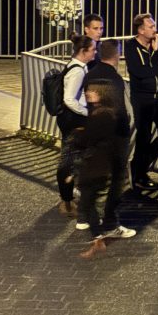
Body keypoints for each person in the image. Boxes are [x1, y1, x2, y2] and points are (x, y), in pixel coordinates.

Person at [73, 81, 136, 259]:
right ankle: (98, 239)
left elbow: (86, 138)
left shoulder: (101, 116)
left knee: (87, 202)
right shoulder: (107, 114)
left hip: (95, 166)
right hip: (98, 165)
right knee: (87, 202)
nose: (87, 93)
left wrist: (79, 133)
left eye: (92, 91)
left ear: (101, 94)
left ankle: (98, 239)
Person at [84, 39, 132, 230]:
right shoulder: (115, 79)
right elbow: (118, 109)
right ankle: (111, 221)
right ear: (117, 54)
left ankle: (88, 217)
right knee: (118, 179)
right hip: (115, 136)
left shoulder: (90, 75)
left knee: (95, 178)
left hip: (95, 132)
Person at [125, 13, 158, 190]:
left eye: (154, 26)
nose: (155, 29)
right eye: (151, 26)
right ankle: (139, 175)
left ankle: (138, 166)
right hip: (142, 99)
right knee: (144, 137)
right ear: (140, 30)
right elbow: (137, 71)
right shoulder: (131, 46)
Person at [56, 34, 94, 217]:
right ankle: (66, 201)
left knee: (71, 160)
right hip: (73, 120)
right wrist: (87, 112)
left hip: (70, 118)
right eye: (92, 49)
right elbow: (70, 99)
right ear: (83, 51)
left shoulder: (75, 66)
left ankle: (69, 197)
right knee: (68, 161)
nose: (95, 52)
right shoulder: (78, 71)